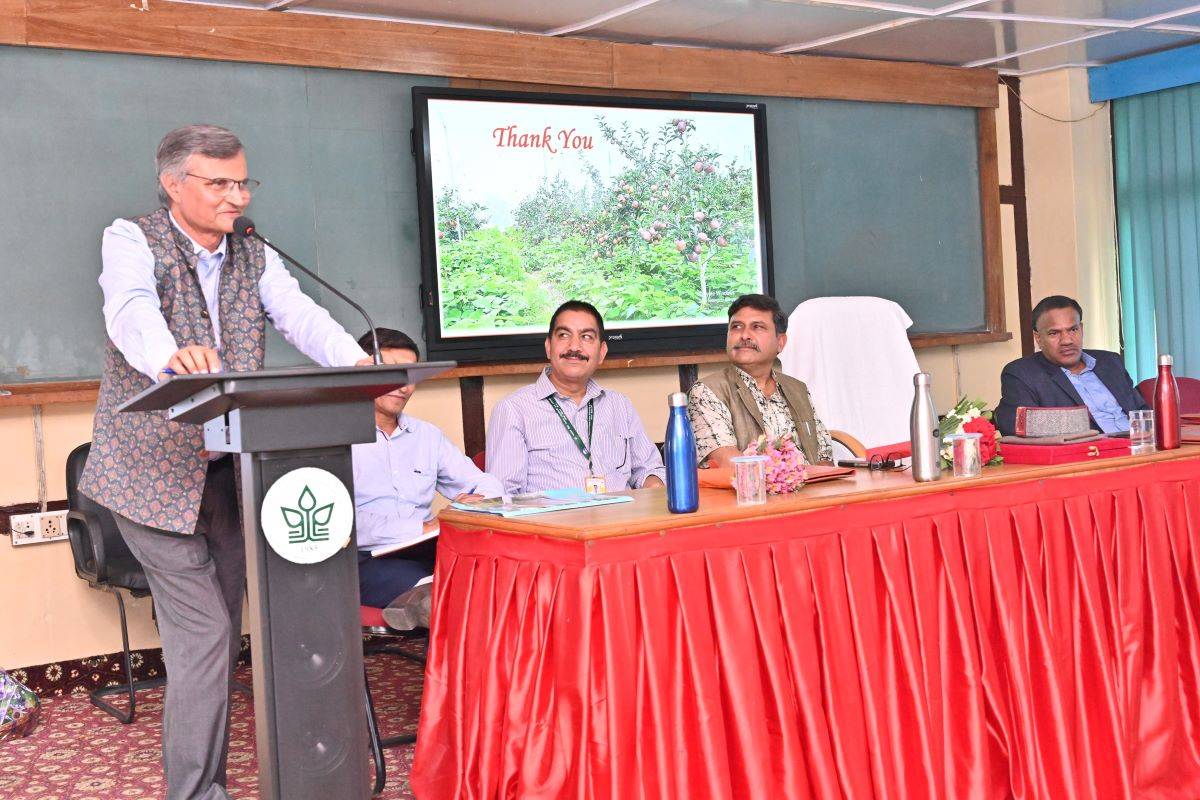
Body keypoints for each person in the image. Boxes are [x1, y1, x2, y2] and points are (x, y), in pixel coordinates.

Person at [79, 124, 373, 800]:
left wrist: (358, 364)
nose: (236, 196)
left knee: (216, 638)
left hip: (235, 474)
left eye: (243, 181)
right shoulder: (131, 237)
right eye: (220, 184)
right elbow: (129, 310)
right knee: (207, 633)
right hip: (150, 479)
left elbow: (299, 316)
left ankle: (207, 783)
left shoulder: (252, 248)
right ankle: (194, 793)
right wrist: (169, 355)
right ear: (173, 184)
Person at [352, 327, 502, 609]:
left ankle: (431, 610)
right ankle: (430, 611)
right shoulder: (336, 439)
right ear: (359, 372)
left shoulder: (427, 435)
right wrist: (422, 527)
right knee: (439, 585)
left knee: (493, 566)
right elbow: (341, 524)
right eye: (393, 372)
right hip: (364, 559)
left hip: (429, 549)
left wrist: (475, 502)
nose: (404, 387)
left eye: (411, 376)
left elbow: (485, 482)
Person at [486, 301, 666, 494]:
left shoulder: (620, 405)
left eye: (586, 337)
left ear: (601, 353)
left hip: (623, 521)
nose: (574, 346)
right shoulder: (513, 410)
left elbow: (650, 469)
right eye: (564, 335)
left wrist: (654, 487)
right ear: (548, 347)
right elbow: (503, 497)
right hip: (553, 523)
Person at [687, 293, 834, 467]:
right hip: (748, 492)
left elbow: (824, 457)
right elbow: (728, 463)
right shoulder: (706, 391)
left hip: (811, 490)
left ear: (780, 342)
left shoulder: (798, 389)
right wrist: (789, 479)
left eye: (757, 327)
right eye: (736, 327)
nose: (744, 336)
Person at [995, 295, 1149, 436]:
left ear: (1081, 329)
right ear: (1038, 338)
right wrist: (1075, 422)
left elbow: (1141, 412)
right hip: (1091, 458)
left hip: (1140, 448)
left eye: (1073, 330)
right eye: (1054, 333)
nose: (1067, 340)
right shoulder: (1023, 374)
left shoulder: (1110, 361)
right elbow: (1016, 425)